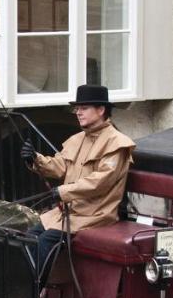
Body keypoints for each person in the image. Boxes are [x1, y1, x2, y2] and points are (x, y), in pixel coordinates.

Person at [21, 84, 136, 276]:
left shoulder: (117, 143)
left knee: (46, 241)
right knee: (29, 237)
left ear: (100, 110)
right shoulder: (78, 139)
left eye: (84, 108)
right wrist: (35, 159)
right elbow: (60, 167)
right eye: (77, 108)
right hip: (68, 214)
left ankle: (32, 297)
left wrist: (62, 192)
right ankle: (25, 290)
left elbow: (101, 182)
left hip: (95, 215)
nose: (78, 113)